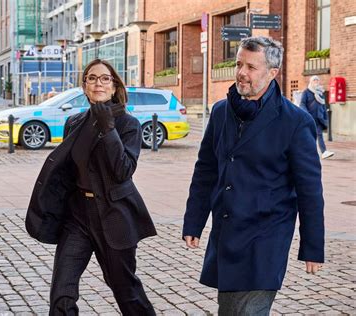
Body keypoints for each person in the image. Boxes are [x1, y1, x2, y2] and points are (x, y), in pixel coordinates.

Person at [182, 37, 325, 315]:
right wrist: (194, 222)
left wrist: (312, 246)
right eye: (238, 64)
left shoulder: (295, 122)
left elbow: (309, 190)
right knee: (230, 310)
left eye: (251, 66)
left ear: (272, 73)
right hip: (227, 233)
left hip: (266, 237)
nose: (241, 72)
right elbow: (206, 171)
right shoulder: (221, 111)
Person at [25, 59, 157, 316]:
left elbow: (123, 171)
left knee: (125, 290)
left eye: (105, 78)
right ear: (84, 86)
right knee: (62, 291)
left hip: (114, 216)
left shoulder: (128, 125)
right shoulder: (74, 122)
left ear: (114, 85)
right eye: (92, 78)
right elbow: (67, 171)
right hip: (78, 218)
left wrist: (108, 128)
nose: (98, 83)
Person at [300, 75, 334, 159]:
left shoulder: (320, 93)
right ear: (311, 82)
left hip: (319, 118)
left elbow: (323, 106)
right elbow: (302, 104)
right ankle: (306, 152)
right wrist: (306, 114)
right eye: (314, 80)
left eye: (317, 80)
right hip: (310, 117)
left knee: (319, 135)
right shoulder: (306, 92)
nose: (316, 82)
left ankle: (324, 152)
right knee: (310, 136)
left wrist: (325, 117)